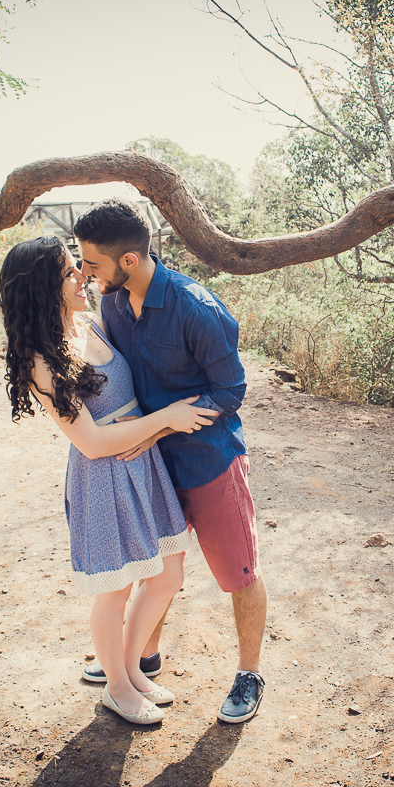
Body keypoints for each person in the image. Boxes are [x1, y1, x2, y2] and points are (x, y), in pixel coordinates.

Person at [0, 235, 219, 725]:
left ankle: (133, 670)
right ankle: (116, 687)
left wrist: (159, 422)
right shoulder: (40, 359)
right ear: (42, 287)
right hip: (104, 476)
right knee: (115, 589)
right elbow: (92, 442)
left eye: (79, 267)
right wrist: (167, 418)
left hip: (144, 462)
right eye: (68, 272)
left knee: (168, 575)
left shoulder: (91, 323)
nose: (82, 275)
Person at [73, 199, 268, 724]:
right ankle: (139, 660)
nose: (83, 272)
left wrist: (171, 419)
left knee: (239, 571)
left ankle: (249, 673)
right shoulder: (111, 303)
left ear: (130, 260)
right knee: (152, 564)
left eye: (91, 263)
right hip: (145, 463)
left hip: (209, 462)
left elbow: (231, 389)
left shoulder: (197, 308)